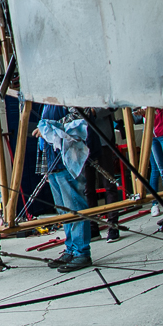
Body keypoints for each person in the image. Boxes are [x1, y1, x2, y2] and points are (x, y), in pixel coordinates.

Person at [36, 107, 93, 273]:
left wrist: (49, 127)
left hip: (66, 159)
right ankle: (71, 249)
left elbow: (82, 114)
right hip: (53, 160)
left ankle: (82, 251)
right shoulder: (44, 102)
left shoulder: (62, 96)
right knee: (64, 211)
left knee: (75, 206)